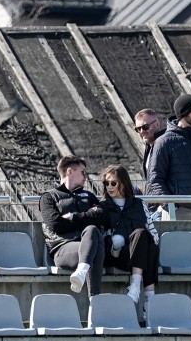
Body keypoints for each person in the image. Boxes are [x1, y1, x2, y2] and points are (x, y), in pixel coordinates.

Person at [40, 156, 109, 296]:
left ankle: (81, 272)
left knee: (92, 233)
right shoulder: (48, 197)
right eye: (83, 172)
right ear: (70, 171)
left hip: (88, 246)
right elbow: (55, 224)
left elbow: (104, 218)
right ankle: (94, 299)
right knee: (93, 238)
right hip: (63, 248)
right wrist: (88, 217)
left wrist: (73, 217)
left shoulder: (88, 196)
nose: (86, 176)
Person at [146, 94, 191, 220]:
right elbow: (155, 179)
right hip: (177, 212)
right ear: (184, 113)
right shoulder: (164, 142)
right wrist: (170, 204)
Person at [99, 164, 160, 304]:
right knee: (147, 246)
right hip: (116, 254)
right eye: (106, 183)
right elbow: (99, 235)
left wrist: (146, 243)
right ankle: (148, 299)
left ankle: (137, 289)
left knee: (148, 243)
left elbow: (153, 232)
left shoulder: (139, 204)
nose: (109, 187)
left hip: (138, 254)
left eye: (113, 183)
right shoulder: (102, 206)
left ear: (124, 183)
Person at [133, 108, 163, 183]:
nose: (142, 131)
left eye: (145, 127)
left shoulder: (167, 145)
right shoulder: (149, 147)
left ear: (157, 123)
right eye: (138, 129)